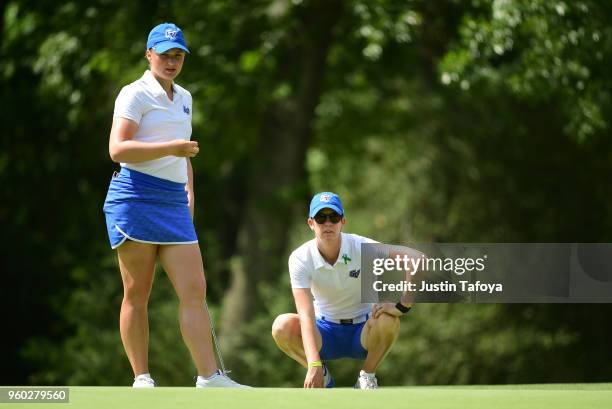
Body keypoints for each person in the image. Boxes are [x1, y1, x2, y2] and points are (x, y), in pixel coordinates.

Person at [103, 22, 247, 388]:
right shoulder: (133, 94)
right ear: (149, 54)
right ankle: (142, 377)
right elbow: (117, 149)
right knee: (138, 291)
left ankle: (209, 377)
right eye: (165, 54)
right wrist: (172, 149)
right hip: (135, 196)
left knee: (194, 288)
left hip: (173, 201)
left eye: (178, 55)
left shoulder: (184, 96)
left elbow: (185, 157)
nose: (171, 61)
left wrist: (189, 196)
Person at [271, 192, 412, 389]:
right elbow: (305, 316)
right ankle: (323, 374)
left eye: (334, 217)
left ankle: (367, 376)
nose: (327, 223)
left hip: (363, 332)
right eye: (321, 218)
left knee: (389, 320)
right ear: (311, 223)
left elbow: (417, 259)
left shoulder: (361, 246)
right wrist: (313, 364)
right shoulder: (300, 257)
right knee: (281, 326)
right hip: (325, 333)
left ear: (343, 221)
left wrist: (402, 306)